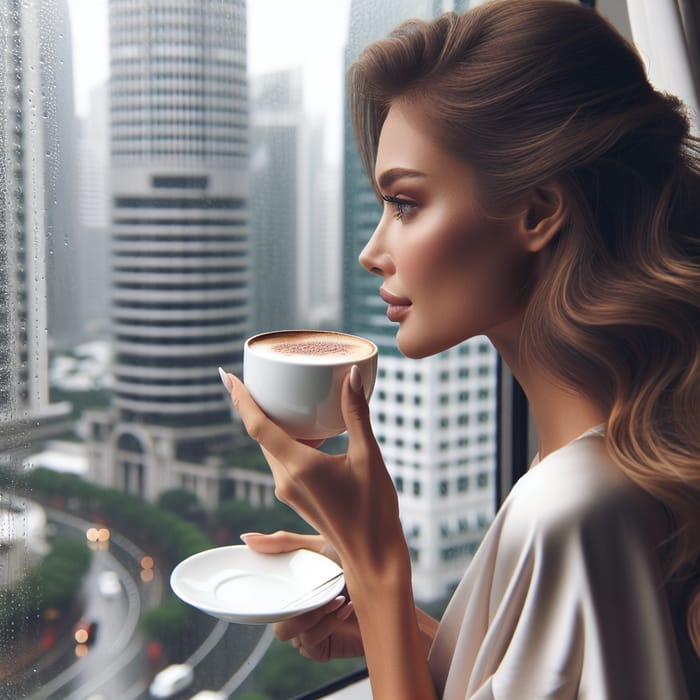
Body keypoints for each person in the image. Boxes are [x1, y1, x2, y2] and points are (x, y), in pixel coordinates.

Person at [218, 0, 700, 697]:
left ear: (537, 212)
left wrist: (375, 559)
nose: (370, 252)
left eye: (406, 203)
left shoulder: (574, 505)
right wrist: (406, 634)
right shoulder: (610, 460)